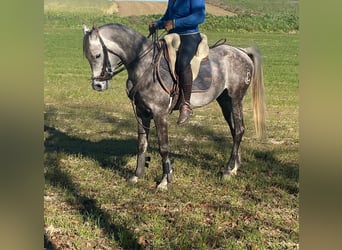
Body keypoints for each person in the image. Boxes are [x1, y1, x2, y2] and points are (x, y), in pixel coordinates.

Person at [149, 0, 206, 125]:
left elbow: (199, 17)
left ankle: (186, 105)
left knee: (183, 62)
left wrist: (175, 23)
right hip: (172, 36)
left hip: (190, 36)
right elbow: (167, 17)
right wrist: (157, 24)